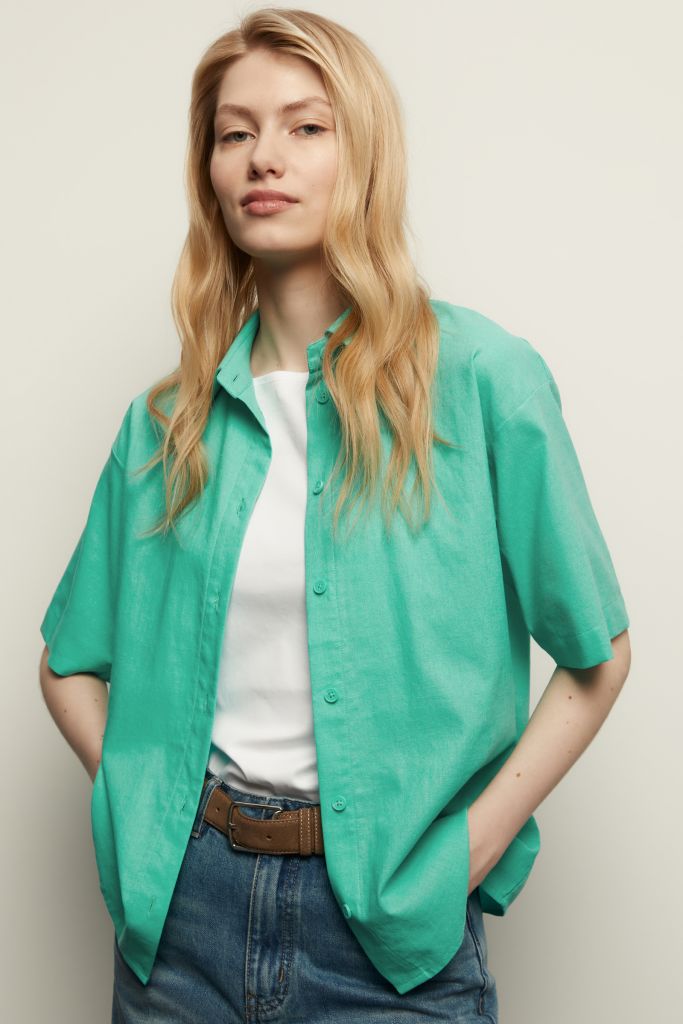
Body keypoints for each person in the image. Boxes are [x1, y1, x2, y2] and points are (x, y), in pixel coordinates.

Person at [38, 8, 631, 1023]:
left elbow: (596, 655)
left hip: (389, 935)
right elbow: (68, 663)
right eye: (234, 133)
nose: (262, 157)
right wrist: (151, 805)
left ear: (364, 156)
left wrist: (471, 845)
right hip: (180, 929)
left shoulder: (482, 380)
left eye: (305, 127)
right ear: (209, 173)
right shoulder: (165, 424)